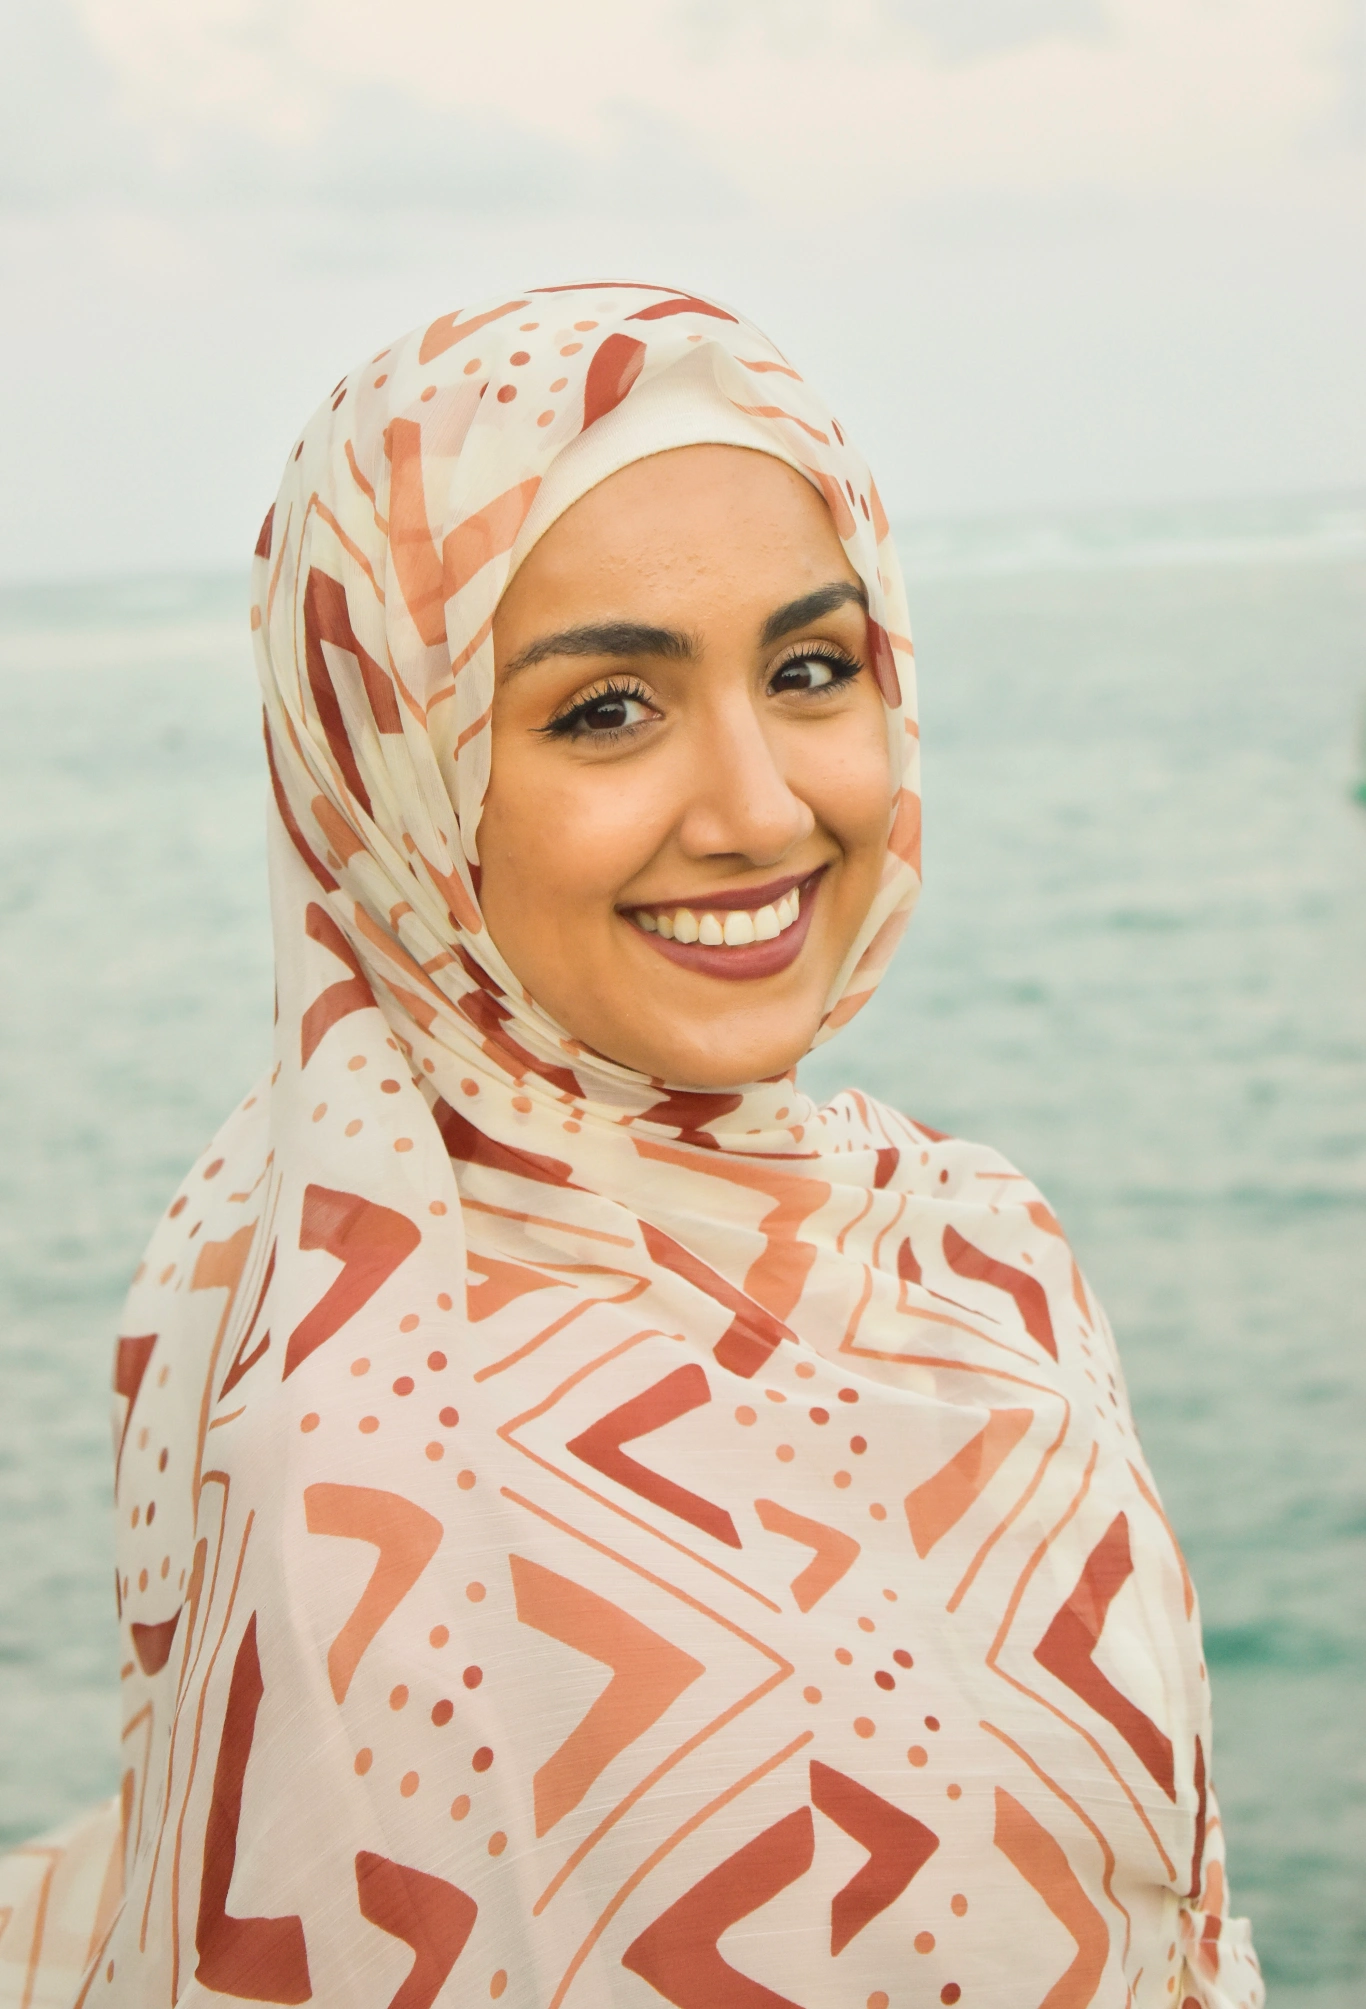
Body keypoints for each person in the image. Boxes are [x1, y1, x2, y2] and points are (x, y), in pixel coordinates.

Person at [0, 283, 1262, 2009]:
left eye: (811, 670)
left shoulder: (974, 1252)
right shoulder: (364, 1386)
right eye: (605, 709)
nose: (758, 808)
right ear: (397, 775)